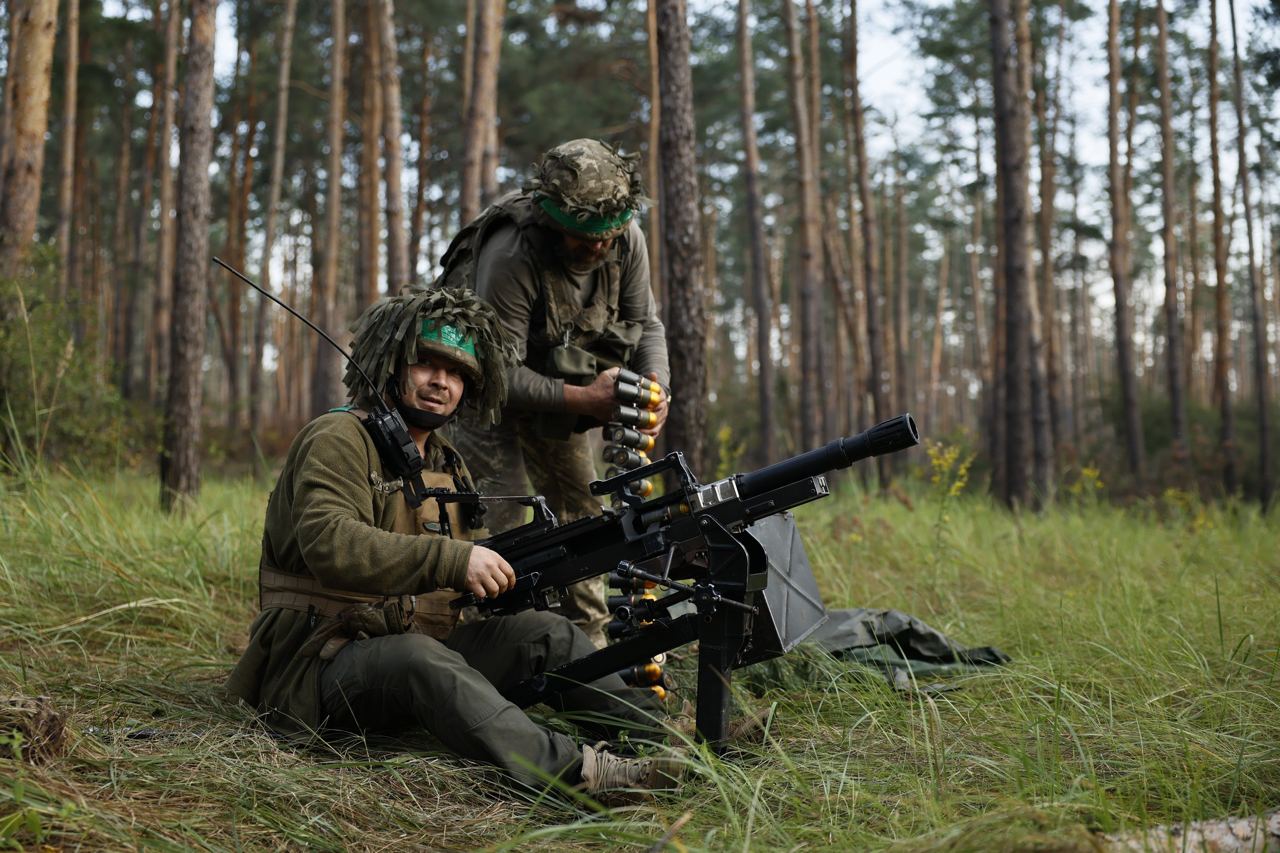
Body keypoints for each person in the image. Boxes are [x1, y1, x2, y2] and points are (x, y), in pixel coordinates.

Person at [226, 287, 673, 799]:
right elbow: (330, 543)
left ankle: (667, 744)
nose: (442, 382)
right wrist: (455, 559)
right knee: (420, 658)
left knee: (547, 634)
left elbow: (470, 569)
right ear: (392, 364)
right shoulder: (338, 437)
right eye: (427, 365)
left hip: (420, 647)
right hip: (319, 664)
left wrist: (530, 568)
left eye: (458, 372)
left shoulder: (444, 462)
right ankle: (580, 777)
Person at [442, 138, 671, 649]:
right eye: (583, 237)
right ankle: (481, 647)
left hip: (562, 383)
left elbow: (646, 325)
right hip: (485, 391)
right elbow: (496, 372)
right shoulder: (512, 255)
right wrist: (585, 400)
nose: (597, 248)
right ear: (553, 222)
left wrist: (658, 391)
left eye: (606, 237)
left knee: (583, 515)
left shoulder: (626, 238)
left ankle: (586, 651)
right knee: (494, 515)